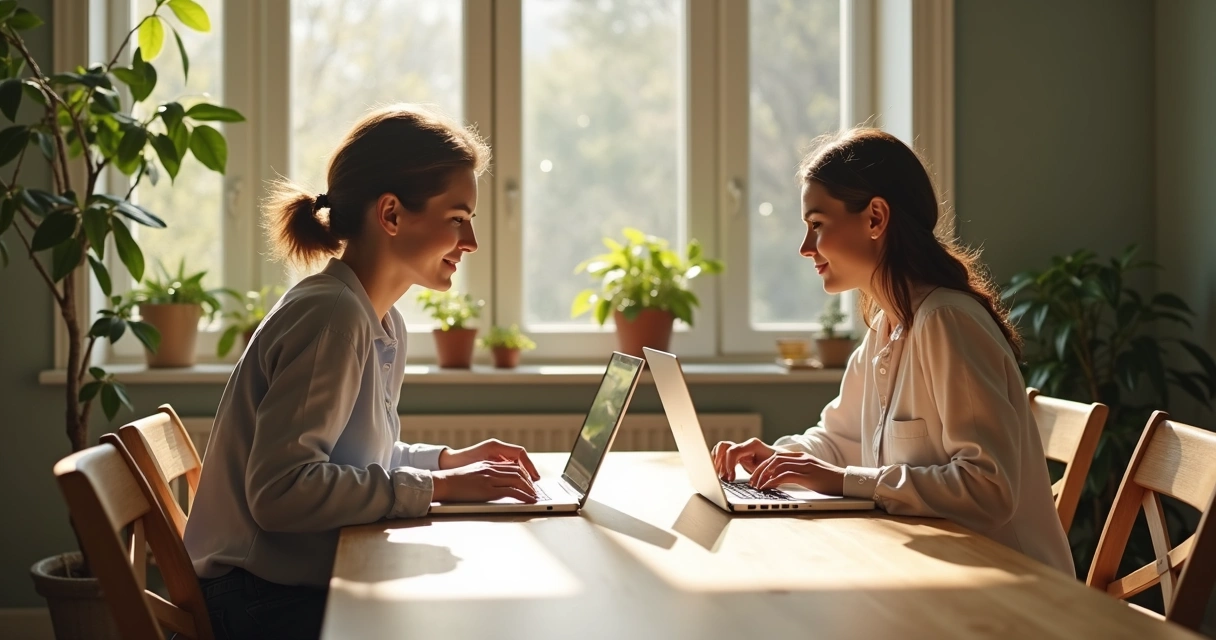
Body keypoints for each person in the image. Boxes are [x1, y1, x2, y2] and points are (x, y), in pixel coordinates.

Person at [184, 104, 541, 640]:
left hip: (275, 588)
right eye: (457, 218)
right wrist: (439, 487)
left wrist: (447, 462)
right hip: (254, 602)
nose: (470, 243)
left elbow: (351, 460)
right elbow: (282, 491)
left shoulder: (379, 319)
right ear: (392, 214)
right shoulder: (331, 317)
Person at [712, 128, 1074, 575]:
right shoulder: (887, 326)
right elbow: (838, 441)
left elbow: (987, 489)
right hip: (939, 573)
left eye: (817, 225)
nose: (806, 248)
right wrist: (774, 457)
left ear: (875, 218)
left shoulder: (946, 320)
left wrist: (845, 482)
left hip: (1014, 596)